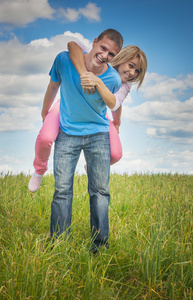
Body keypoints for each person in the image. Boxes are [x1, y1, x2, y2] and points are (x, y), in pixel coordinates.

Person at [35, 29, 124, 253]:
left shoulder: (112, 78)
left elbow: (114, 103)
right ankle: (58, 245)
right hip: (67, 132)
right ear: (94, 43)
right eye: (103, 48)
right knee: (62, 190)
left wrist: (96, 82)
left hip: (98, 136)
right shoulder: (64, 60)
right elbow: (53, 86)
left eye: (112, 54)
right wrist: (45, 111)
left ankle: (100, 247)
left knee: (100, 192)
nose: (105, 55)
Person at [28, 43, 147, 193]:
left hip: (98, 116)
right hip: (67, 106)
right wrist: (84, 73)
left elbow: (116, 103)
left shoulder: (125, 84)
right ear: (121, 58)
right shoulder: (101, 58)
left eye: (137, 71)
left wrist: (117, 122)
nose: (132, 73)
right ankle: (39, 169)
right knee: (45, 138)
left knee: (116, 154)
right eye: (131, 66)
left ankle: (91, 166)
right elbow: (73, 45)